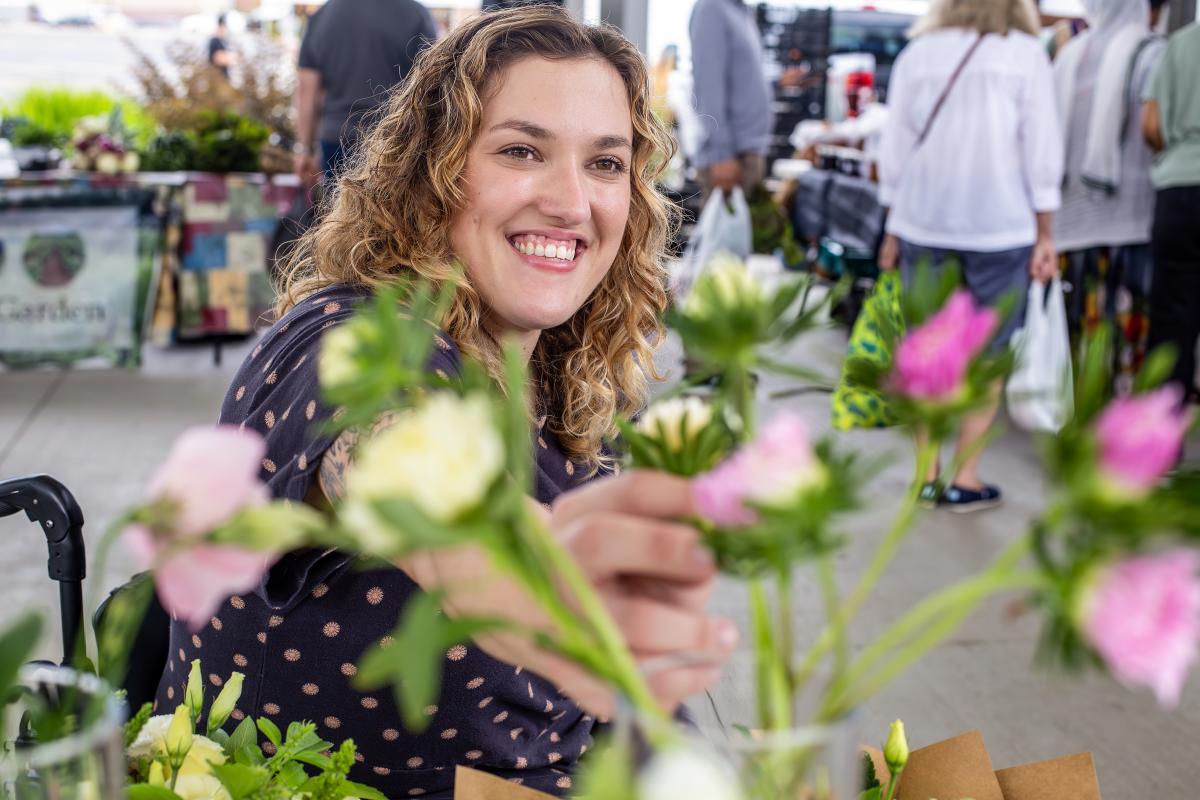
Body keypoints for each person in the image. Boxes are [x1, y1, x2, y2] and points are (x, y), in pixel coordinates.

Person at [154, 8, 735, 798]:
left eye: (605, 164)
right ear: (435, 171)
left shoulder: (561, 382)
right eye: (522, 151)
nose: (572, 202)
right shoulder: (343, 339)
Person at [877, 0, 1063, 512]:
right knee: (987, 358)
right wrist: (1046, 232)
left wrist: (892, 225)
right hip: (1001, 228)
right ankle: (966, 477)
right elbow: (1041, 150)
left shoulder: (919, 53)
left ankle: (925, 475)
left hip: (923, 221)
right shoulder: (1027, 54)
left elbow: (895, 149)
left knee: (930, 350)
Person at [1052, 0, 1164, 392]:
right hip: (1133, 218)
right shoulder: (1151, 53)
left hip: (1071, 217)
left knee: (1083, 318)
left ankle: (1079, 408)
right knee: (1127, 322)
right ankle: (1120, 418)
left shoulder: (1069, 56)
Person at [293, 0, 438, 188]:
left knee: (340, 212)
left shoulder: (323, 16)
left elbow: (307, 92)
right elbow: (431, 84)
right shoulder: (416, 14)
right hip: (395, 139)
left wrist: (305, 149)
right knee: (392, 213)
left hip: (338, 137)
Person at [1142, 20, 1200, 404]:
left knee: (1171, 318)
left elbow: (1151, 124)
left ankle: (1161, 435)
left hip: (1180, 188)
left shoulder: (1181, 43)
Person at [689, 0, 773, 198]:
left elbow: (741, 80)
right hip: (730, 156)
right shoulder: (712, 8)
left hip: (747, 152)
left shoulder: (741, 11)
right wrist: (722, 155)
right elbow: (708, 87)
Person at [207, 14, 233, 79]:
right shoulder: (214, 41)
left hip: (225, 73)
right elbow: (215, 58)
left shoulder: (224, 40)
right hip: (217, 73)